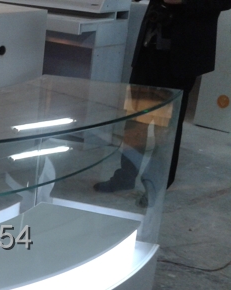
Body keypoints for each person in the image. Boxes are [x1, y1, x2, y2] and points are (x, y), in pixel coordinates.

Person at [94, 0, 231, 197]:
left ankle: (156, 185)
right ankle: (125, 176)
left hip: (181, 55)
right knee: (134, 119)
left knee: (166, 127)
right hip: (149, 48)